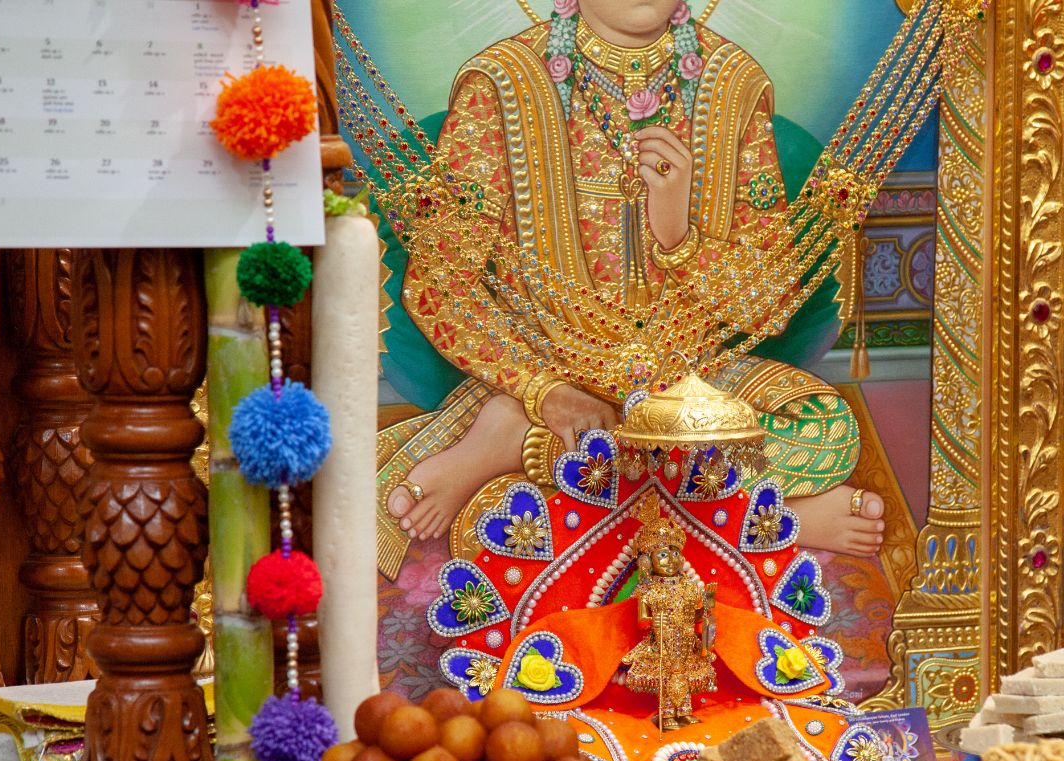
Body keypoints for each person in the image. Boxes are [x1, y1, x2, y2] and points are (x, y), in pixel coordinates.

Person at [376, 0, 885, 574]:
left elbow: (765, 301)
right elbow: (440, 287)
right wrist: (543, 391)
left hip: (694, 379)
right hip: (555, 378)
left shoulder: (734, 85)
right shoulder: (501, 86)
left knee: (826, 431)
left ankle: (523, 448)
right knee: (494, 542)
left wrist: (678, 237)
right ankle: (766, 520)